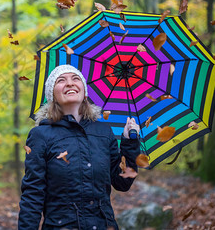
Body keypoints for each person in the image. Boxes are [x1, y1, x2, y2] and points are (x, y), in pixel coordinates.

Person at [18, 65, 141, 230]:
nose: (70, 83)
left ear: (84, 92)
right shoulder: (41, 135)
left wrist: (129, 142)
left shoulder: (103, 131)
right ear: (52, 95)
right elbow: (33, 194)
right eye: (61, 80)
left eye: (75, 79)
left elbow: (122, 183)